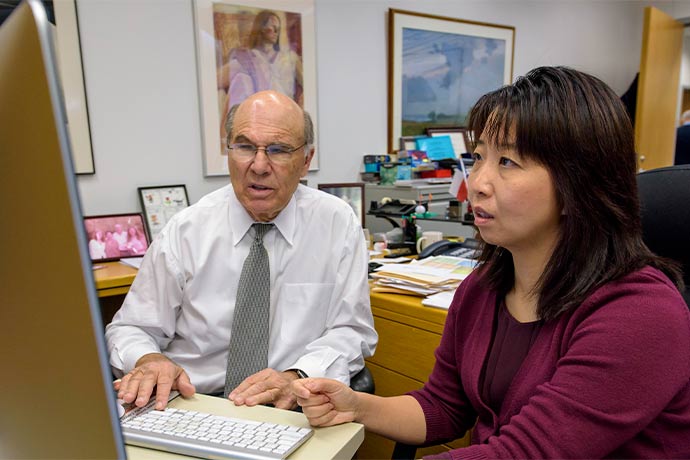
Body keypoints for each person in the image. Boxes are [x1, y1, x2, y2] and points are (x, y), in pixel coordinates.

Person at [292, 67, 690, 458]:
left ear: (578, 185)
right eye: (479, 156)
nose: (477, 183)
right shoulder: (483, 287)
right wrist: (356, 407)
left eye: (507, 162)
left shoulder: (641, 313)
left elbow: (526, 453)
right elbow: (443, 406)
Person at [106, 90, 376, 412]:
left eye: (278, 150)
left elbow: (351, 329)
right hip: (193, 402)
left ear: (306, 161)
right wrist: (149, 359)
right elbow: (132, 327)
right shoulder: (186, 230)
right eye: (245, 147)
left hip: (289, 404)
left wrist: (299, 375)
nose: (259, 166)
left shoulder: (336, 224)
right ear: (229, 152)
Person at [217, 10, 303, 138]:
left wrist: (299, 115)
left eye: (277, 28)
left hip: (285, 121)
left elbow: (309, 86)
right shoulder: (246, 58)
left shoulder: (290, 58)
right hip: (258, 122)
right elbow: (214, 80)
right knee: (241, 80)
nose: (275, 32)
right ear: (260, 28)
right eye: (271, 27)